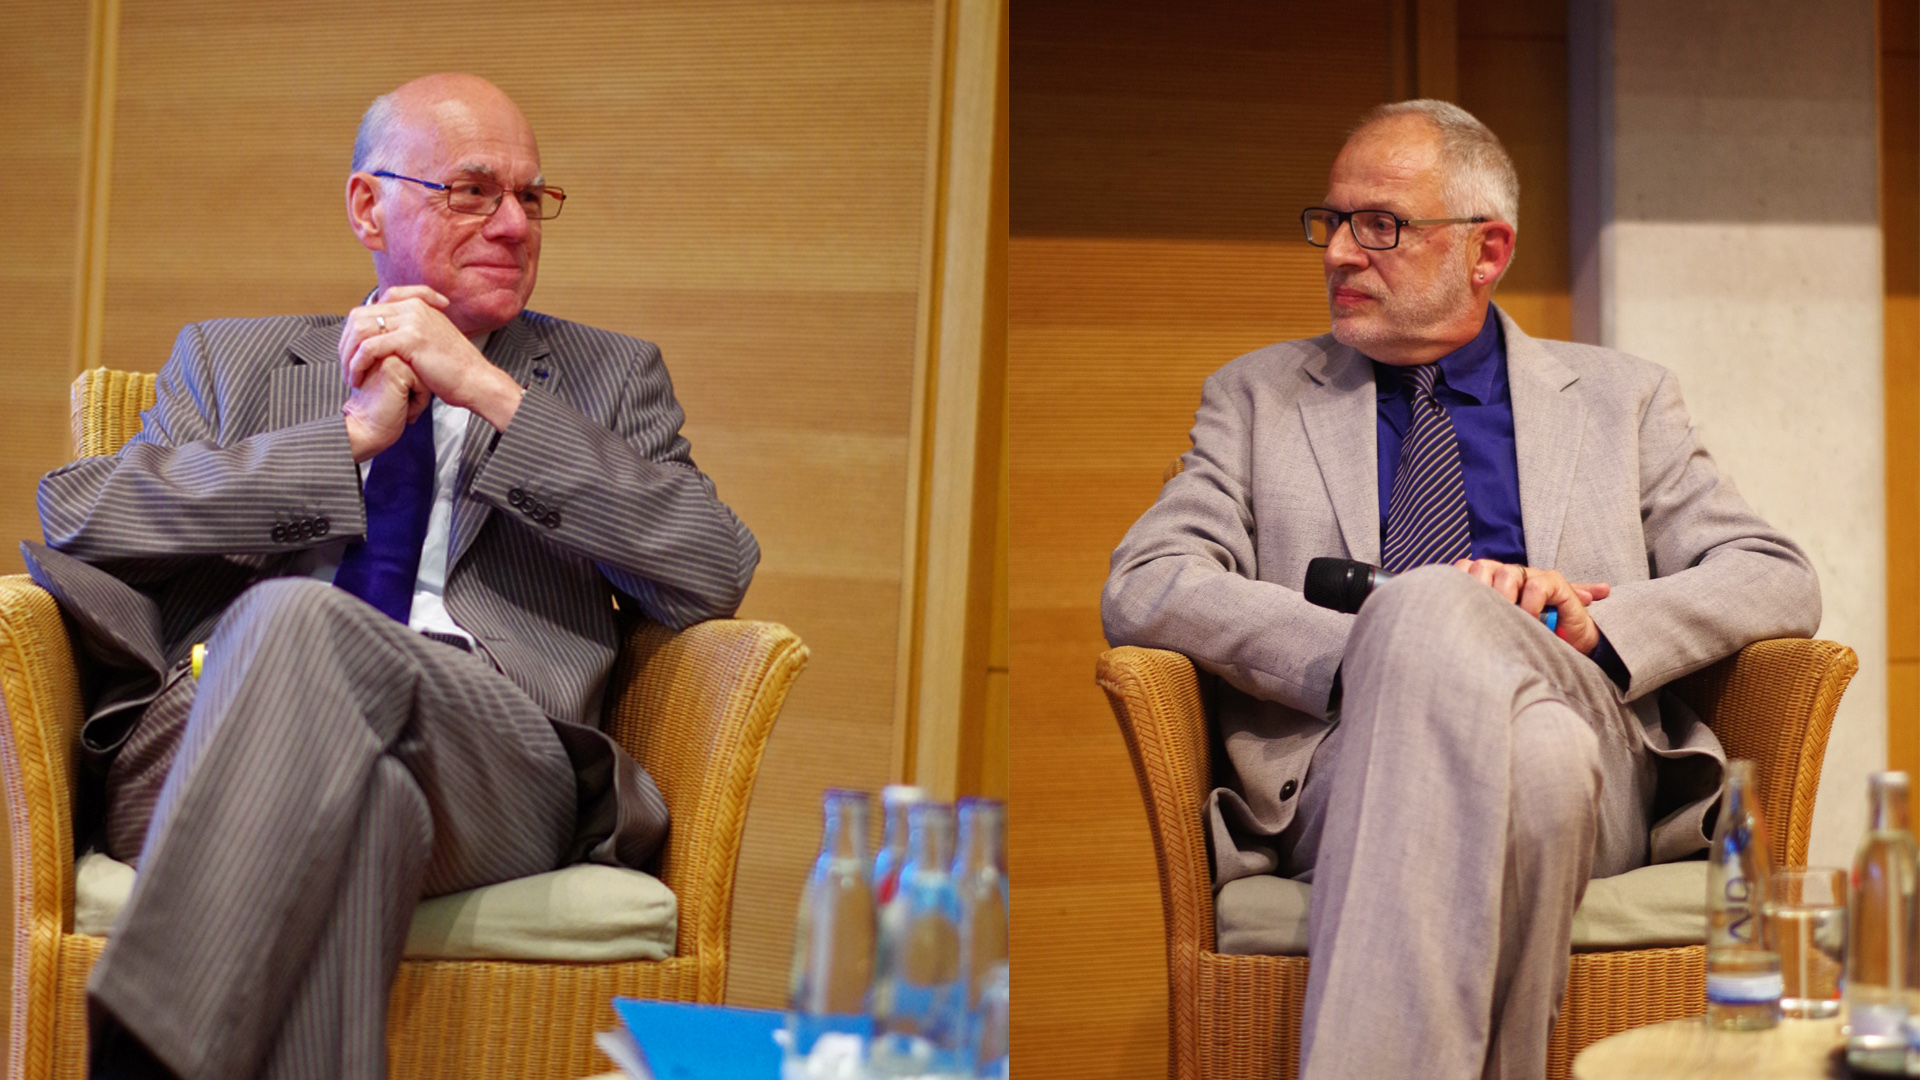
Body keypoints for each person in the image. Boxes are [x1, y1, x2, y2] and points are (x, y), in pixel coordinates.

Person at [23, 73, 758, 1080]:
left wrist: (491, 395)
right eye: (472, 191)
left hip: (490, 759)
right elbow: (81, 513)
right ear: (370, 205)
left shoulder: (606, 379)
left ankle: (145, 1054)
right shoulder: (234, 363)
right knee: (363, 795)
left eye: (531, 198)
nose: (513, 223)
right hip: (210, 735)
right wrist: (348, 441)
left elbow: (713, 566)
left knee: (308, 631)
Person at [1101, 99, 1819, 1080]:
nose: (1341, 253)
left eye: (1381, 225)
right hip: (1349, 756)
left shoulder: (1623, 400)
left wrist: (1593, 625)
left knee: (1510, 685)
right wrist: (1388, 641)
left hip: (1594, 720)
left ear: (1487, 251)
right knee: (1526, 741)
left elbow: (1775, 575)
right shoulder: (1257, 397)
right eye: (1333, 221)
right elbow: (1149, 581)